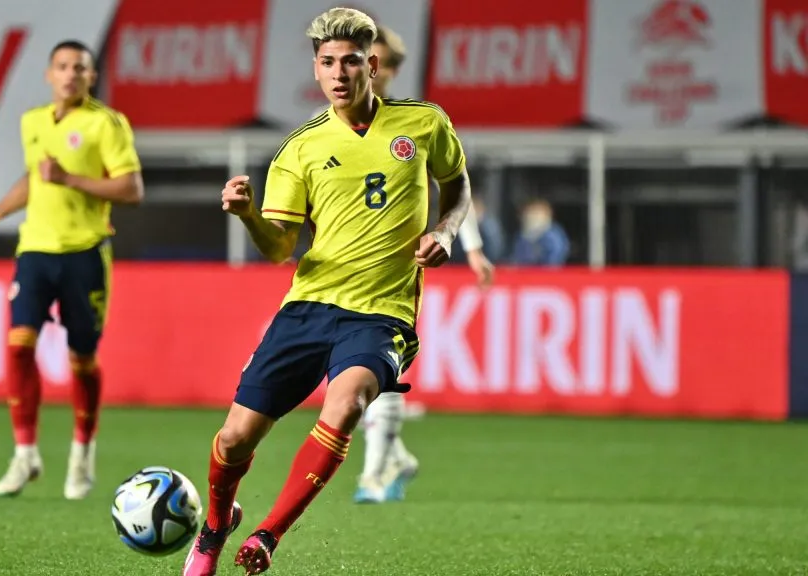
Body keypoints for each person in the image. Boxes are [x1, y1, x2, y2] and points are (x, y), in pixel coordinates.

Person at [182, 8, 492, 575]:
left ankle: (267, 536)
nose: (339, 73)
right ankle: (215, 526)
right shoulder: (299, 149)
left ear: (372, 65)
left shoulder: (423, 124)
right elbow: (279, 248)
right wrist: (248, 214)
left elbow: (458, 182)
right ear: (317, 70)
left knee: (347, 403)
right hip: (308, 306)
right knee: (233, 441)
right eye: (328, 63)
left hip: (382, 313)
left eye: (351, 61)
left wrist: (446, 230)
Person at [0, 40, 144, 500]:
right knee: (18, 344)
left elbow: (130, 188)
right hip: (35, 249)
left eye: (80, 68)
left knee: (81, 361)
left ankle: (81, 453)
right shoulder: (32, 121)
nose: (70, 74)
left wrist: (69, 178)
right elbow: (35, 178)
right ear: (50, 74)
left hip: (84, 252)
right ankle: (25, 453)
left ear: (92, 77)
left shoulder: (106, 123)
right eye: (63, 67)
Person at [352, 23, 493, 506]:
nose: (376, 69)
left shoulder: (414, 124)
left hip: (398, 268)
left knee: (381, 365)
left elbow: (454, 186)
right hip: (345, 270)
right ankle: (394, 459)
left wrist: (469, 246)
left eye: (385, 63)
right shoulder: (328, 123)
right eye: (368, 58)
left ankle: (373, 472)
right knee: (352, 378)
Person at [510, 198, 569, 266]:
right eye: (529, 213)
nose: (531, 216)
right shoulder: (521, 236)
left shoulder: (552, 236)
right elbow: (517, 257)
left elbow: (554, 261)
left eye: (536, 213)